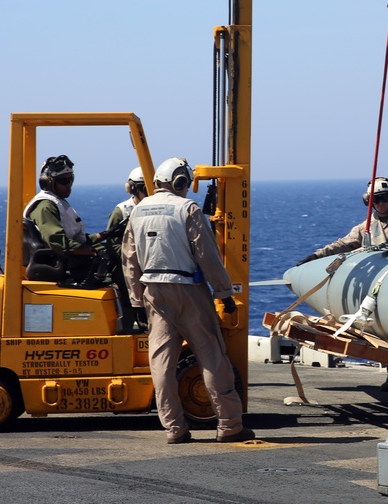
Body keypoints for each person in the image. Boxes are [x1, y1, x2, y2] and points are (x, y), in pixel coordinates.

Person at [122, 157, 254, 444]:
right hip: (188, 290)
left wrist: (135, 302)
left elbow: (130, 260)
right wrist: (224, 293)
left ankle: (174, 429)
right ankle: (229, 425)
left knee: (161, 364)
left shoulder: (137, 210)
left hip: (153, 293)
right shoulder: (187, 208)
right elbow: (207, 254)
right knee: (211, 357)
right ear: (180, 181)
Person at [297, 176, 388, 393]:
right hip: (382, 289)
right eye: (377, 199)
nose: (382, 203)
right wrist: (316, 256)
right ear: (369, 201)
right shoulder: (365, 227)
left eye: (385, 198)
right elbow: (342, 245)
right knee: (382, 332)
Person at [24, 154, 106, 286]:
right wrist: (94, 252)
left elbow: (74, 238)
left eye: (70, 179)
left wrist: (105, 234)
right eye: (63, 181)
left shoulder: (58, 203)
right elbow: (58, 242)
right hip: (59, 262)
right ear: (48, 183)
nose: (69, 185)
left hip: (67, 259)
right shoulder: (45, 207)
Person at [105, 167, 148, 329]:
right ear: (134, 189)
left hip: (149, 269)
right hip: (127, 271)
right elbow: (111, 244)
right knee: (129, 309)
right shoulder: (122, 212)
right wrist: (135, 255)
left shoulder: (155, 208)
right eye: (145, 189)